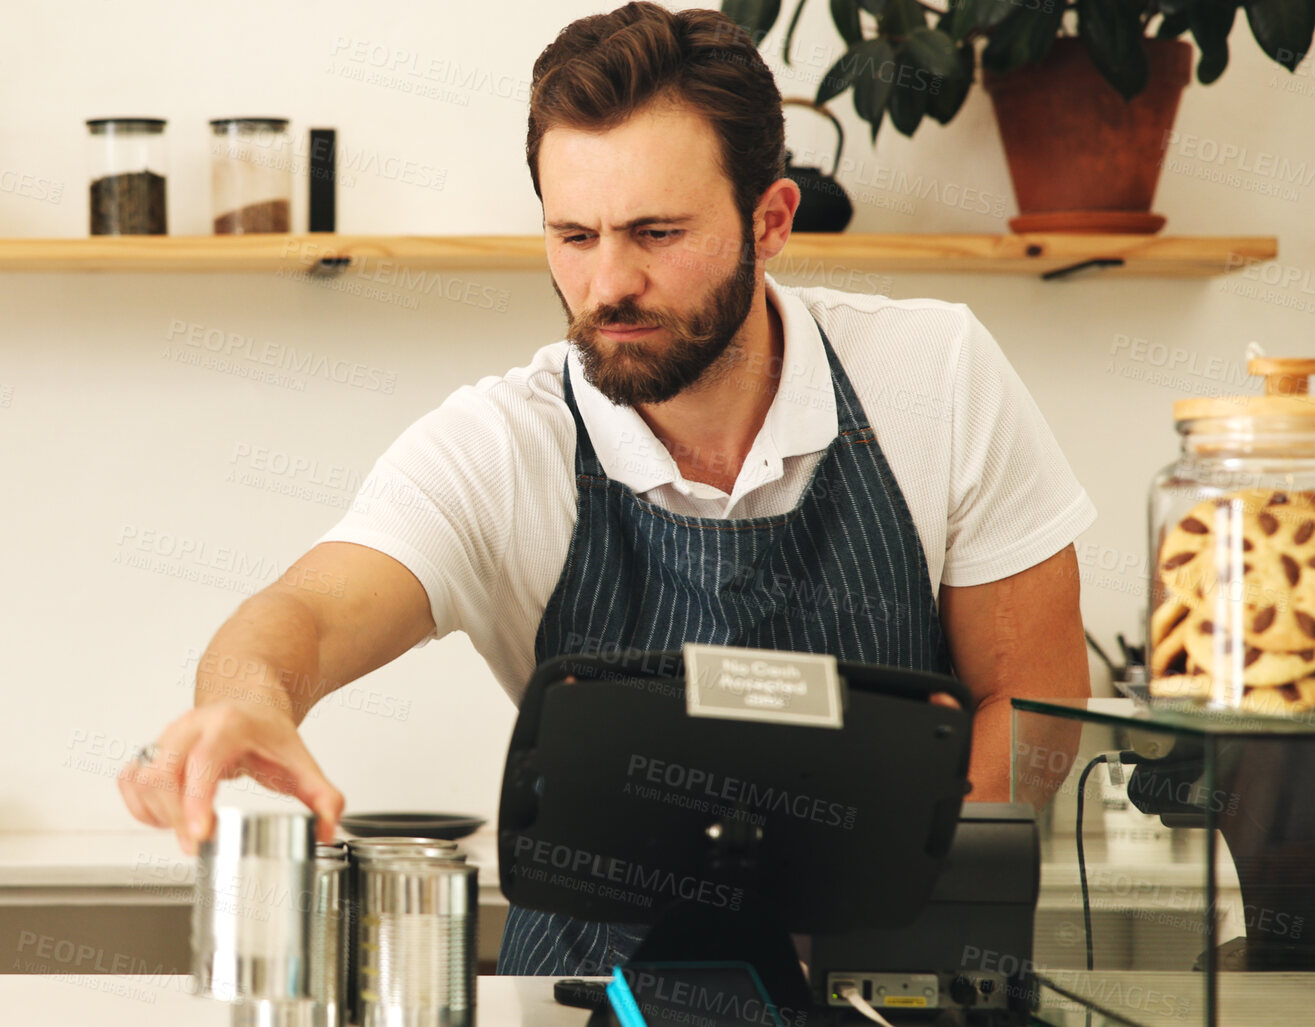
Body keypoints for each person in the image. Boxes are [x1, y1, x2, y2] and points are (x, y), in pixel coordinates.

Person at [118, 1, 1092, 975]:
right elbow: (307, 613)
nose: (607, 283)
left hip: (888, 973)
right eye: (574, 235)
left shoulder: (935, 374)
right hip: (590, 989)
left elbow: (1038, 694)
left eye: (656, 233)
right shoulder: (504, 444)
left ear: (772, 219)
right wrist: (248, 698)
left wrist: (876, 880)